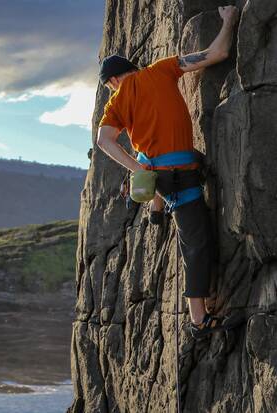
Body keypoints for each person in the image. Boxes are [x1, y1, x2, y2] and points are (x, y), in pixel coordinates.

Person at [96, 6, 239, 339]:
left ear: (113, 80)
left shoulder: (116, 102)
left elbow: (104, 142)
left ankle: (155, 205)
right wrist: (229, 20)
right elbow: (218, 52)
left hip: (162, 176)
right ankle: (198, 320)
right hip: (180, 174)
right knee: (196, 243)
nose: (112, 91)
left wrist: (139, 169)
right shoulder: (162, 69)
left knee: (154, 165)